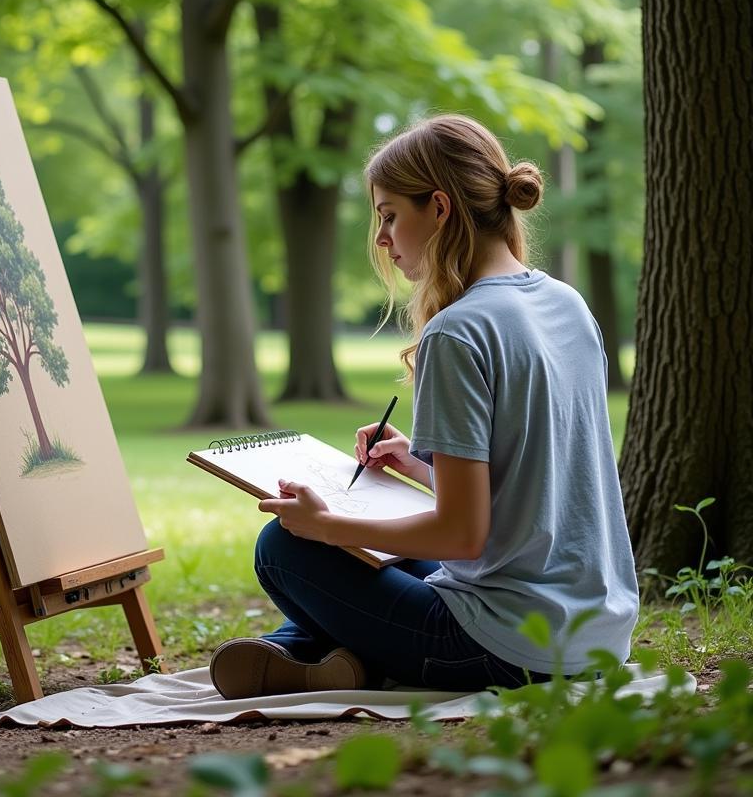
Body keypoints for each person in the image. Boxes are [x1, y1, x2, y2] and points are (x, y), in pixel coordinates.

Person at [209, 114, 639, 700]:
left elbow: (462, 534)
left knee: (285, 548)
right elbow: (538, 489)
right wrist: (419, 464)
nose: (382, 238)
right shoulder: (566, 303)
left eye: (389, 215)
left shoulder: (457, 333)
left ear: (439, 209)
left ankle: (308, 650)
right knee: (375, 563)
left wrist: (327, 525)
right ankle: (316, 656)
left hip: (510, 649)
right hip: (596, 633)